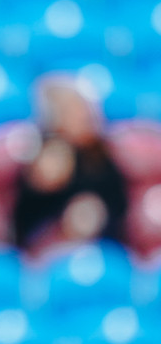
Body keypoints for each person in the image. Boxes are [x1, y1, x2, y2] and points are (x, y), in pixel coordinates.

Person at [11, 77, 127, 251]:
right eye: (74, 110)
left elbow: (120, 205)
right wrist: (41, 185)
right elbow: (23, 216)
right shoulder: (40, 153)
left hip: (103, 248)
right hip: (48, 251)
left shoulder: (101, 153)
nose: (85, 116)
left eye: (85, 109)